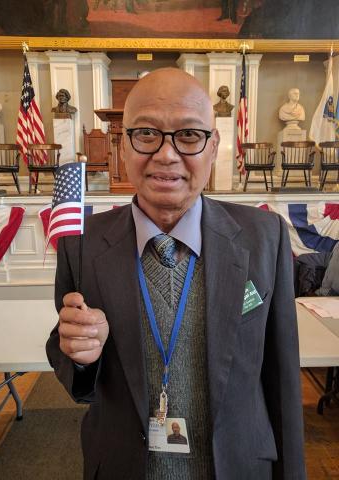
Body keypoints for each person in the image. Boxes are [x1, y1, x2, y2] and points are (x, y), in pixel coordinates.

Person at [46, 67, 306, 480]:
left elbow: (282, 379)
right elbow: (64, 348)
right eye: (146, 134)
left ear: (214, 144)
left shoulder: (263, 236)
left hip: (238, 466)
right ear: (123, 145)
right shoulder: (83, 242)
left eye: (188, 135)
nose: (166, 155)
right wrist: (78, 357)